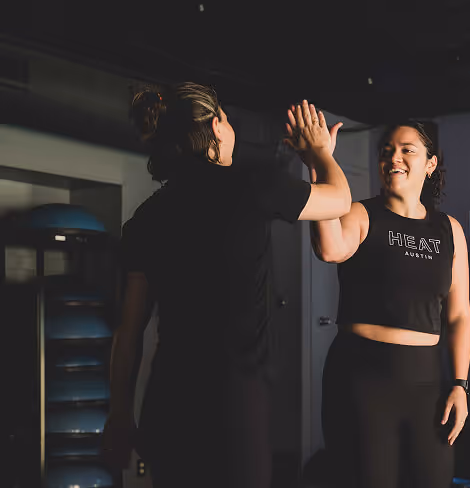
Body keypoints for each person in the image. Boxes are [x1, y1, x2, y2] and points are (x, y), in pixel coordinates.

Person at [101, 83, 351, 488]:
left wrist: (118, 413)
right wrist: (319, 153)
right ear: (217, 126)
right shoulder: (254, 183)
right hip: (234, 406)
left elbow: (128, 331)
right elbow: (340, 199)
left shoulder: (145, 220)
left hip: (169, 403)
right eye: (229, 120)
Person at [312, 122, 470, 488]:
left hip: (428, 384)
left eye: (407, 149)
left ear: (431, 164)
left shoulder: (449, 230)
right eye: (386, 150)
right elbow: (328, 249)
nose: (394, 157)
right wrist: (319, 160)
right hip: (363, 379)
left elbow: (460, 314)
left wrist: (461, 384)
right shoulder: (359, 214)